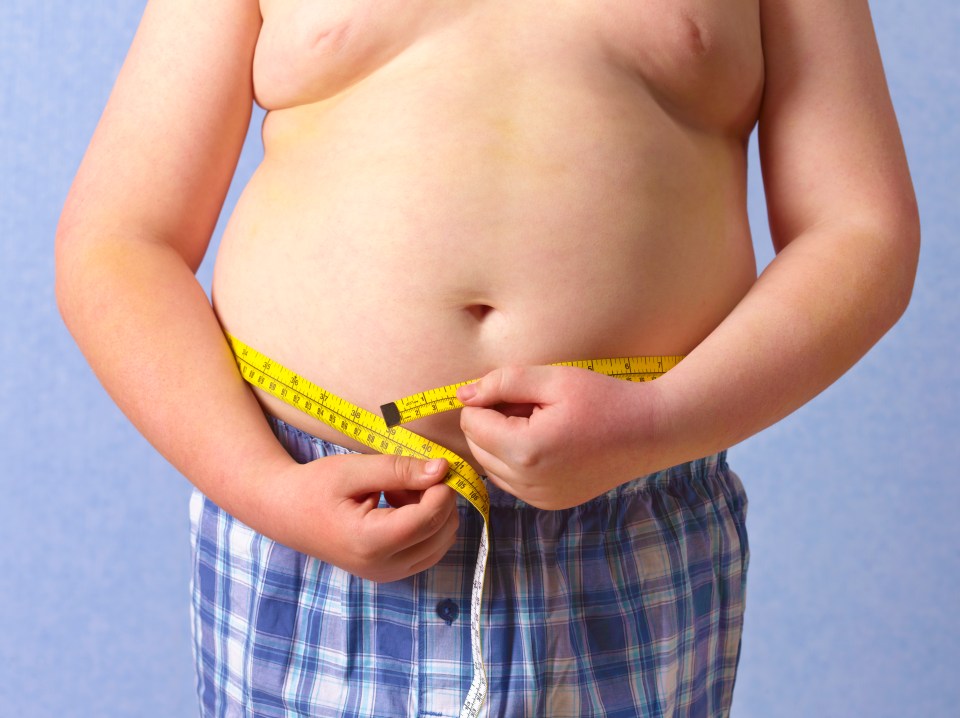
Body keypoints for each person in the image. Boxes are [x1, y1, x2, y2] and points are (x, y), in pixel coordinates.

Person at [55, 0, 918, 716]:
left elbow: (862, 233)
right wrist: (266, 489)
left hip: (629, 515)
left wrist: (658, 423)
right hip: (310, 522)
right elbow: (121, 242)